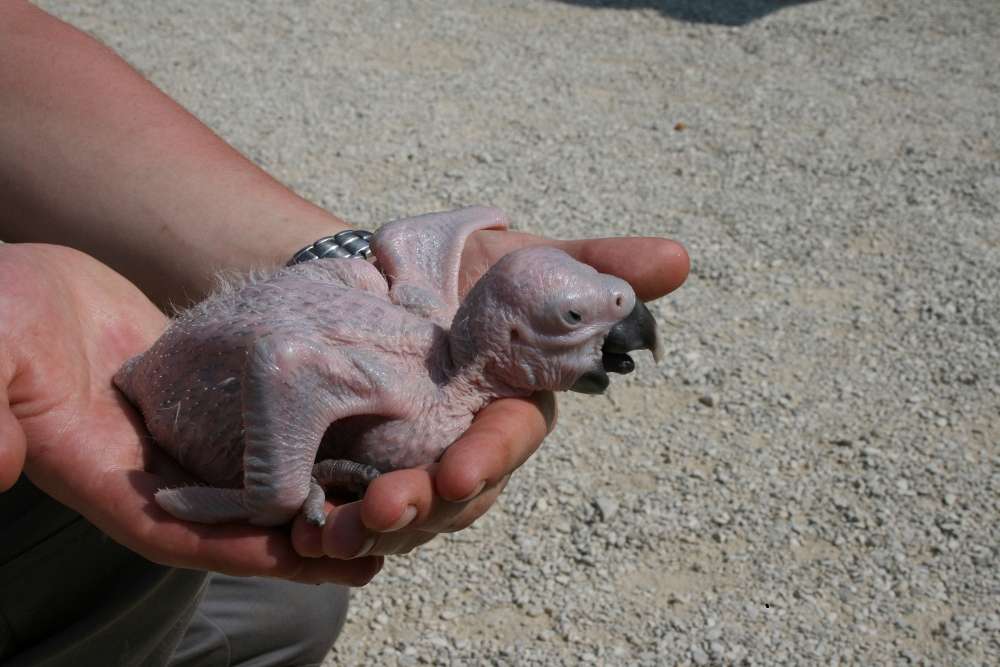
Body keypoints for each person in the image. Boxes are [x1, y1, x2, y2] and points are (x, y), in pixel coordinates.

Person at [0, 2, 689, 666]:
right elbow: (285, 359)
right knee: (255, 558)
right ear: (506, 330)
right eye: (572, 319)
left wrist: (330, 249)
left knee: (295, 609)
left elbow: (406, 246)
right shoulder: (417, 391)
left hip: (196, 365)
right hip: (167, 410)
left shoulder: (426, 314)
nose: (620, 317)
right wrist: (269, 490)